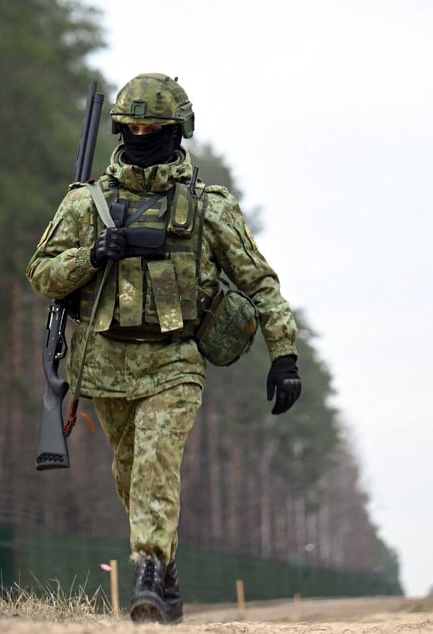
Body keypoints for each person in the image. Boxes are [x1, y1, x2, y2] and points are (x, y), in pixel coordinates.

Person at [25, 73, 301, 624]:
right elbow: (41, 274)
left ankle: (148, 567)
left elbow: (259, 283)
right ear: (119, 130)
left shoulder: (209, 208)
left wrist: (284, 354)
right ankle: (165, 566)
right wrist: (91, 257)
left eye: (154, 127)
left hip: (175, 362)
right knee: (128, 472)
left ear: (179, 132)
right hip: (104, 362)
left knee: (155, 462)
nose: (142, 135)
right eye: (132, 127)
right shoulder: (87, 205)